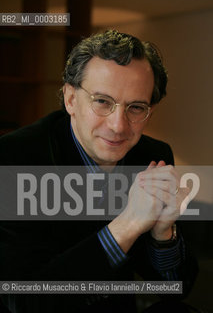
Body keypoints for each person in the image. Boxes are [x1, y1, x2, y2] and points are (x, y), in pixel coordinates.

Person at [0, 30, 198, 313]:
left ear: (149, 111)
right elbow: (24, 300)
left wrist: (162, 232)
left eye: (136, 107)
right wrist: (127, 225)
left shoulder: (154, 157)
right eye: (103, 101)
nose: (118, 126)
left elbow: (177, 288)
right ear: (70, 99)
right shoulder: (14, 158)